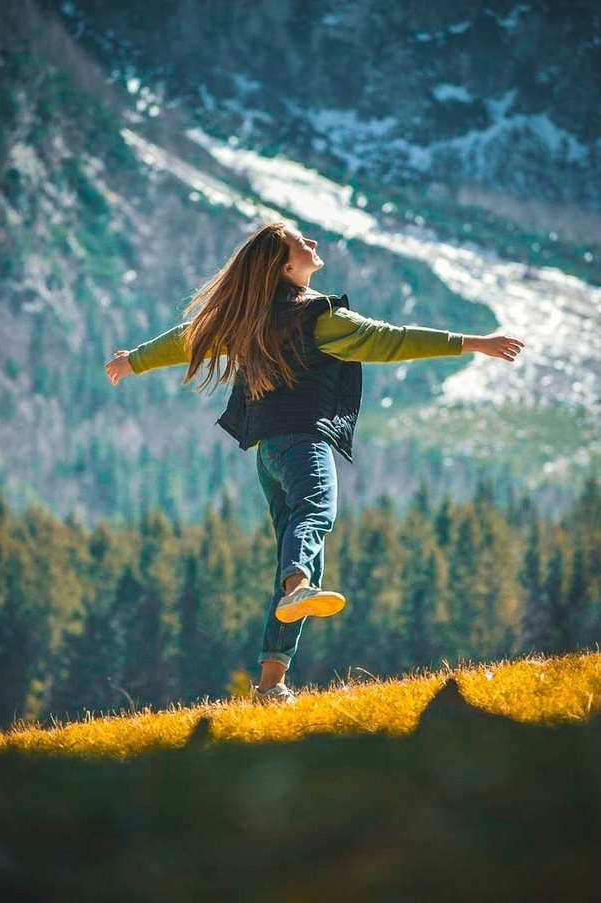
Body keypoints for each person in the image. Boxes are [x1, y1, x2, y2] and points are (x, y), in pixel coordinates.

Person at [105, 221, 524, 702]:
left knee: (297, 554)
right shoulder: (320, 318)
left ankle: (272, 683)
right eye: (301, 243)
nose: (313, 244)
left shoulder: (246, 319)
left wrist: (133, 360)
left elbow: (188, 337)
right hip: (304, 442)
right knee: (316, 513)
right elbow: (391, 340)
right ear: (285, 267)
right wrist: (473, 342)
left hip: (268, 453)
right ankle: (297, 587)